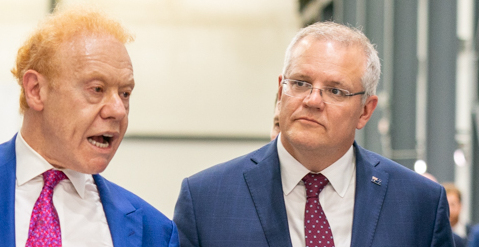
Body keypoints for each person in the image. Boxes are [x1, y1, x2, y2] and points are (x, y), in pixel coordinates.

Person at [173, 22, 454, 247]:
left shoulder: (420, 204)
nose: (312, 100)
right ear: (281, 90)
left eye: (335, 91)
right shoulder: (206, 200)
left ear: (365, 111)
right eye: (300, 83)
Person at [1, 6, 178, 247]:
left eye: (125, 93)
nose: (118, 110)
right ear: (36, 90)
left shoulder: (155, 232)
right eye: (97, 89)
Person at [443, 183, 469, 247]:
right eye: (445, 205)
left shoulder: (472, 234)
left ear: (460, 206)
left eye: (452, 204)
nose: (449, 209)